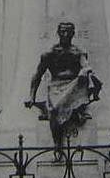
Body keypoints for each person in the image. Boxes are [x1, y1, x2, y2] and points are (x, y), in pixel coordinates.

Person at [25, 22, 101, 153]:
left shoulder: (79, 52)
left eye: (68, 32)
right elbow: (37, 75)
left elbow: (86, 65)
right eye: (63, 31)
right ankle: (58, 145)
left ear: (73, 34)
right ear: (58, 33)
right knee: (54, 109)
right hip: (56, 87)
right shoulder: (49, 54)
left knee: (86, 75)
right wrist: (31, 96)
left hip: (74, 86)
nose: (65, 34)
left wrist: (88, 71)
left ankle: (77, 110)